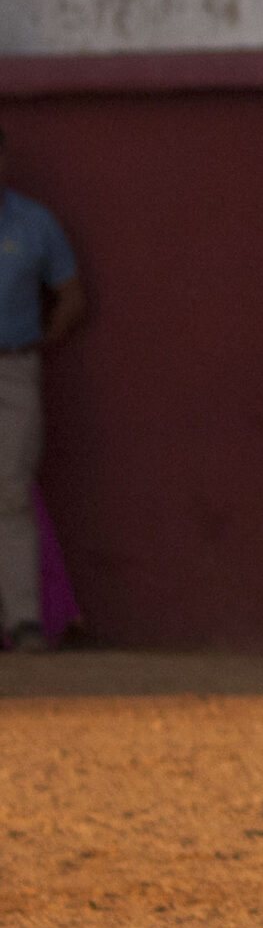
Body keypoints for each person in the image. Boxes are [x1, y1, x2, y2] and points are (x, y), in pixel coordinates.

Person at [0, 127, 83, 653]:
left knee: (9, 488)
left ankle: (25, 618)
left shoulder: (33, 222)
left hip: (14, 368)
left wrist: (33, 348)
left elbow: (72, 297)